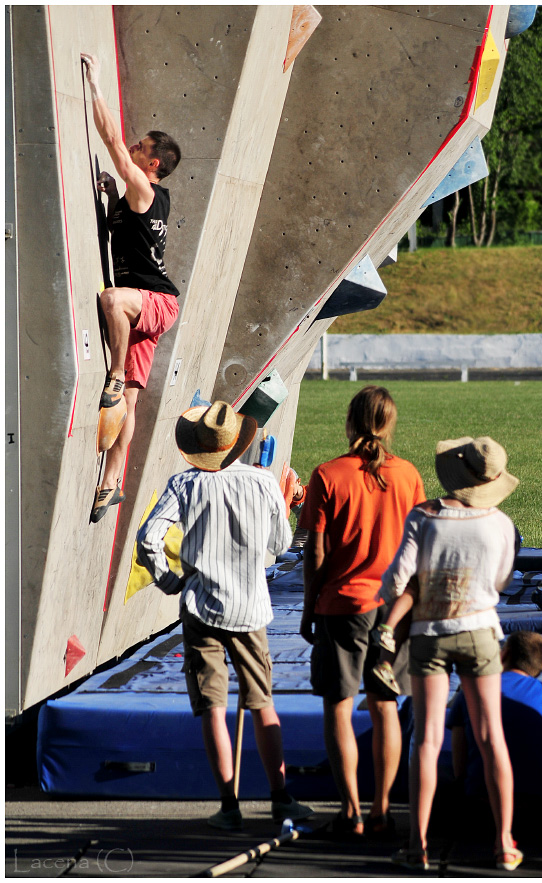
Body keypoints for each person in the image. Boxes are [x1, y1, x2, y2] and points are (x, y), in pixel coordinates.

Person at [136, 400, 313, 830]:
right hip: (250, 607)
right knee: (263, 705)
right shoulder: (264, 482)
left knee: (213, 707)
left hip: (201, 606)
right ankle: (281, 797)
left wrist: (170, 580)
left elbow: (148, 539)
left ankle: (229, 807)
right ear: (237, 440)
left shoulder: (184, 485)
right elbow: (282, 545)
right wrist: (285, 502)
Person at [380, 435, 523, 872]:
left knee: (427, 740)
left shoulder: (424, 517)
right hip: (479, 631)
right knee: (491, 738)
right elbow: (500, 582)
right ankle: (504, 842)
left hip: (428, 634)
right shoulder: (500, 524)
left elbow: (395, 581)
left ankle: (417, 844)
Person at [299, 386, 425, 838]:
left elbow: (315, 550)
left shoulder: (328, 474)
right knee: (385, 705)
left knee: (338, 705)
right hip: (393, 610)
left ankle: (350, 811)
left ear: (351, 423)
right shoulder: (408, 475)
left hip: (341, 604)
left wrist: (309, 605)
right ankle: (383, 809)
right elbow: (418, 548)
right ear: (388, 424)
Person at [80, 52, 182, 523]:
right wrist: (107, 191)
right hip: (145, 307)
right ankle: (109, 483)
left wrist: (96, 87)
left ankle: (115, 373)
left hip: (155, 302)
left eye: (141, 148)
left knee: (111, 299)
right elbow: (122, 211)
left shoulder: (147, 190)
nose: (132, 150)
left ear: (152, 161)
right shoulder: (132, 198)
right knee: (131, 406)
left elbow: (111, 142)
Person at [447, 631, 542, 837]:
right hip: (539, 813)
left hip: (482, 808)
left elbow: (459, 767)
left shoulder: (472, 690)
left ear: (503, 655)